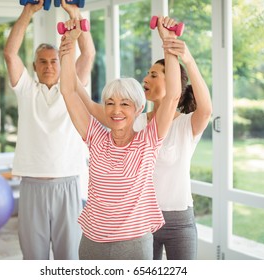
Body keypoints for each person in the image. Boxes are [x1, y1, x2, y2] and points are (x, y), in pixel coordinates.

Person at [59, 16, 181, 260]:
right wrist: (68, 47)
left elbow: (172, 96)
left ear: (138, 109)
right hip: (92, 242)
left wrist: (169, 44)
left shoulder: (148, 141)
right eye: (110, 103)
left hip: (134, 244)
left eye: (125, 104)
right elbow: (68, 92)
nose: (116, 111)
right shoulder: (95, 136)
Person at [3, 0, 95, 260]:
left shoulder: (72, 88)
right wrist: (28, 11)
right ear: (34, 67)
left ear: (61, 63)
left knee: (69, 257)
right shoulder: (26, 90)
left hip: (67, 183)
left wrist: (75, 13)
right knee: (34, 258)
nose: (49, 66)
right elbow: (10, 54)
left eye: (54, 61)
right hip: (32, 184)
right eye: (42, 62)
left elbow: (87, 55)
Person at [133, 39, 212, 259]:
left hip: (180, 222)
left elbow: (206, 110)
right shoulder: (136, 123)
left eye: (154, 75)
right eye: (147, 74)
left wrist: (187, 59)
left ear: (173, 82)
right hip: (142, 219)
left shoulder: (186, 125)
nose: (145, 79)